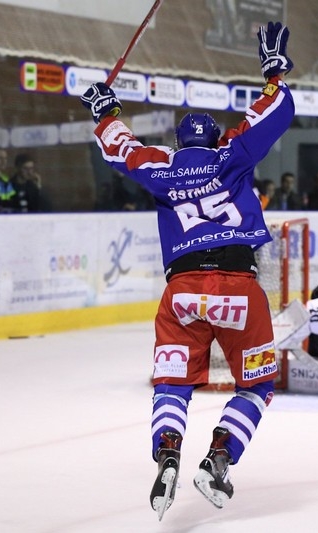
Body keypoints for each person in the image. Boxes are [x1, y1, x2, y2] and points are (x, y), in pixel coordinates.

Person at [80, 20, 294, 520]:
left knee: (171, 385)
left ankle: (169, 451)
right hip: (240, 290)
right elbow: (275, 113)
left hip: (183, 294)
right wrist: (272, 71)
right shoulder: (232, 153)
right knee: (256, 386)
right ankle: (219, 457)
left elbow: (121, 151)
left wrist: (104, 111)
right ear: (214, 137)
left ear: (178, 141)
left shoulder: (163, 166)